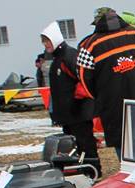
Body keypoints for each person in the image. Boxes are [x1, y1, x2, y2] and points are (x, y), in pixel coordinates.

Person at [77, 7, 135, 157]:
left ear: (97, 23)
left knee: (129, 160)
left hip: (115, 110)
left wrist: (102, 97)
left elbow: (85, 80)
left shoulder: (88, 46)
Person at [40, 21, 101, 176]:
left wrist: (77, 100)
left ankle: (95, 172)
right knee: (75, 146)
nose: (45, 44)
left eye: (47, 40)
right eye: (43, 41)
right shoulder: (57, 60)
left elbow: (84, 78)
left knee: (86, 144)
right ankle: (83, 171)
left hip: (78, 112)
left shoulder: (69, 56)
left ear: (55, 39)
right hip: (68, 115)